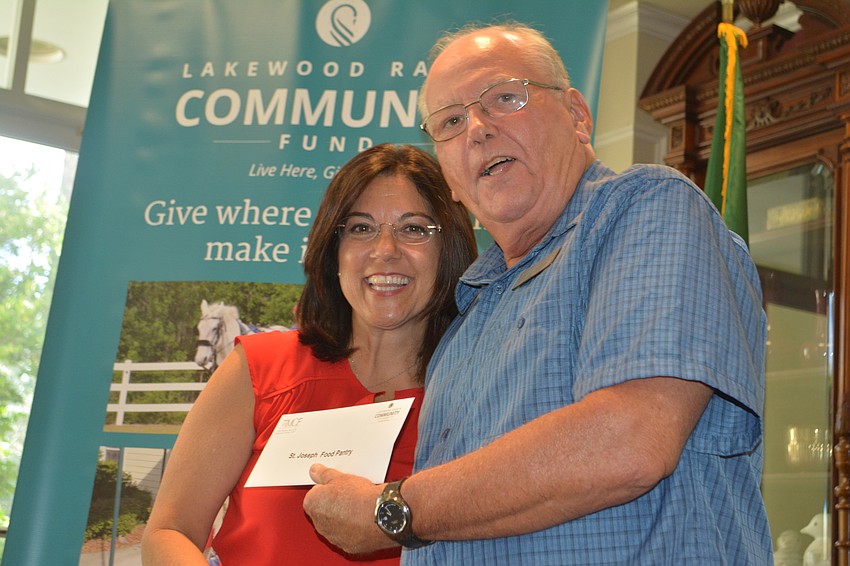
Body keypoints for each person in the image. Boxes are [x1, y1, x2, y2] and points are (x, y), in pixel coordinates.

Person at [302, 22, 772, 565]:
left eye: (504, 97)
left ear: (577, 114)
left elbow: (628, 440)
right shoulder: (471, 309)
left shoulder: (643, 209)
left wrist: (393, 510)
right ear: (451, 182)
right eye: (450, 121)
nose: (476, 128)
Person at [140, 143, 477, 565]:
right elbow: (169, 532)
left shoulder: (479, 393)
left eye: (413, 229)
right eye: (360, 228)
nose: (385, 249)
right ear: (332, 249)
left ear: (450, 248)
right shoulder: (258, 369)